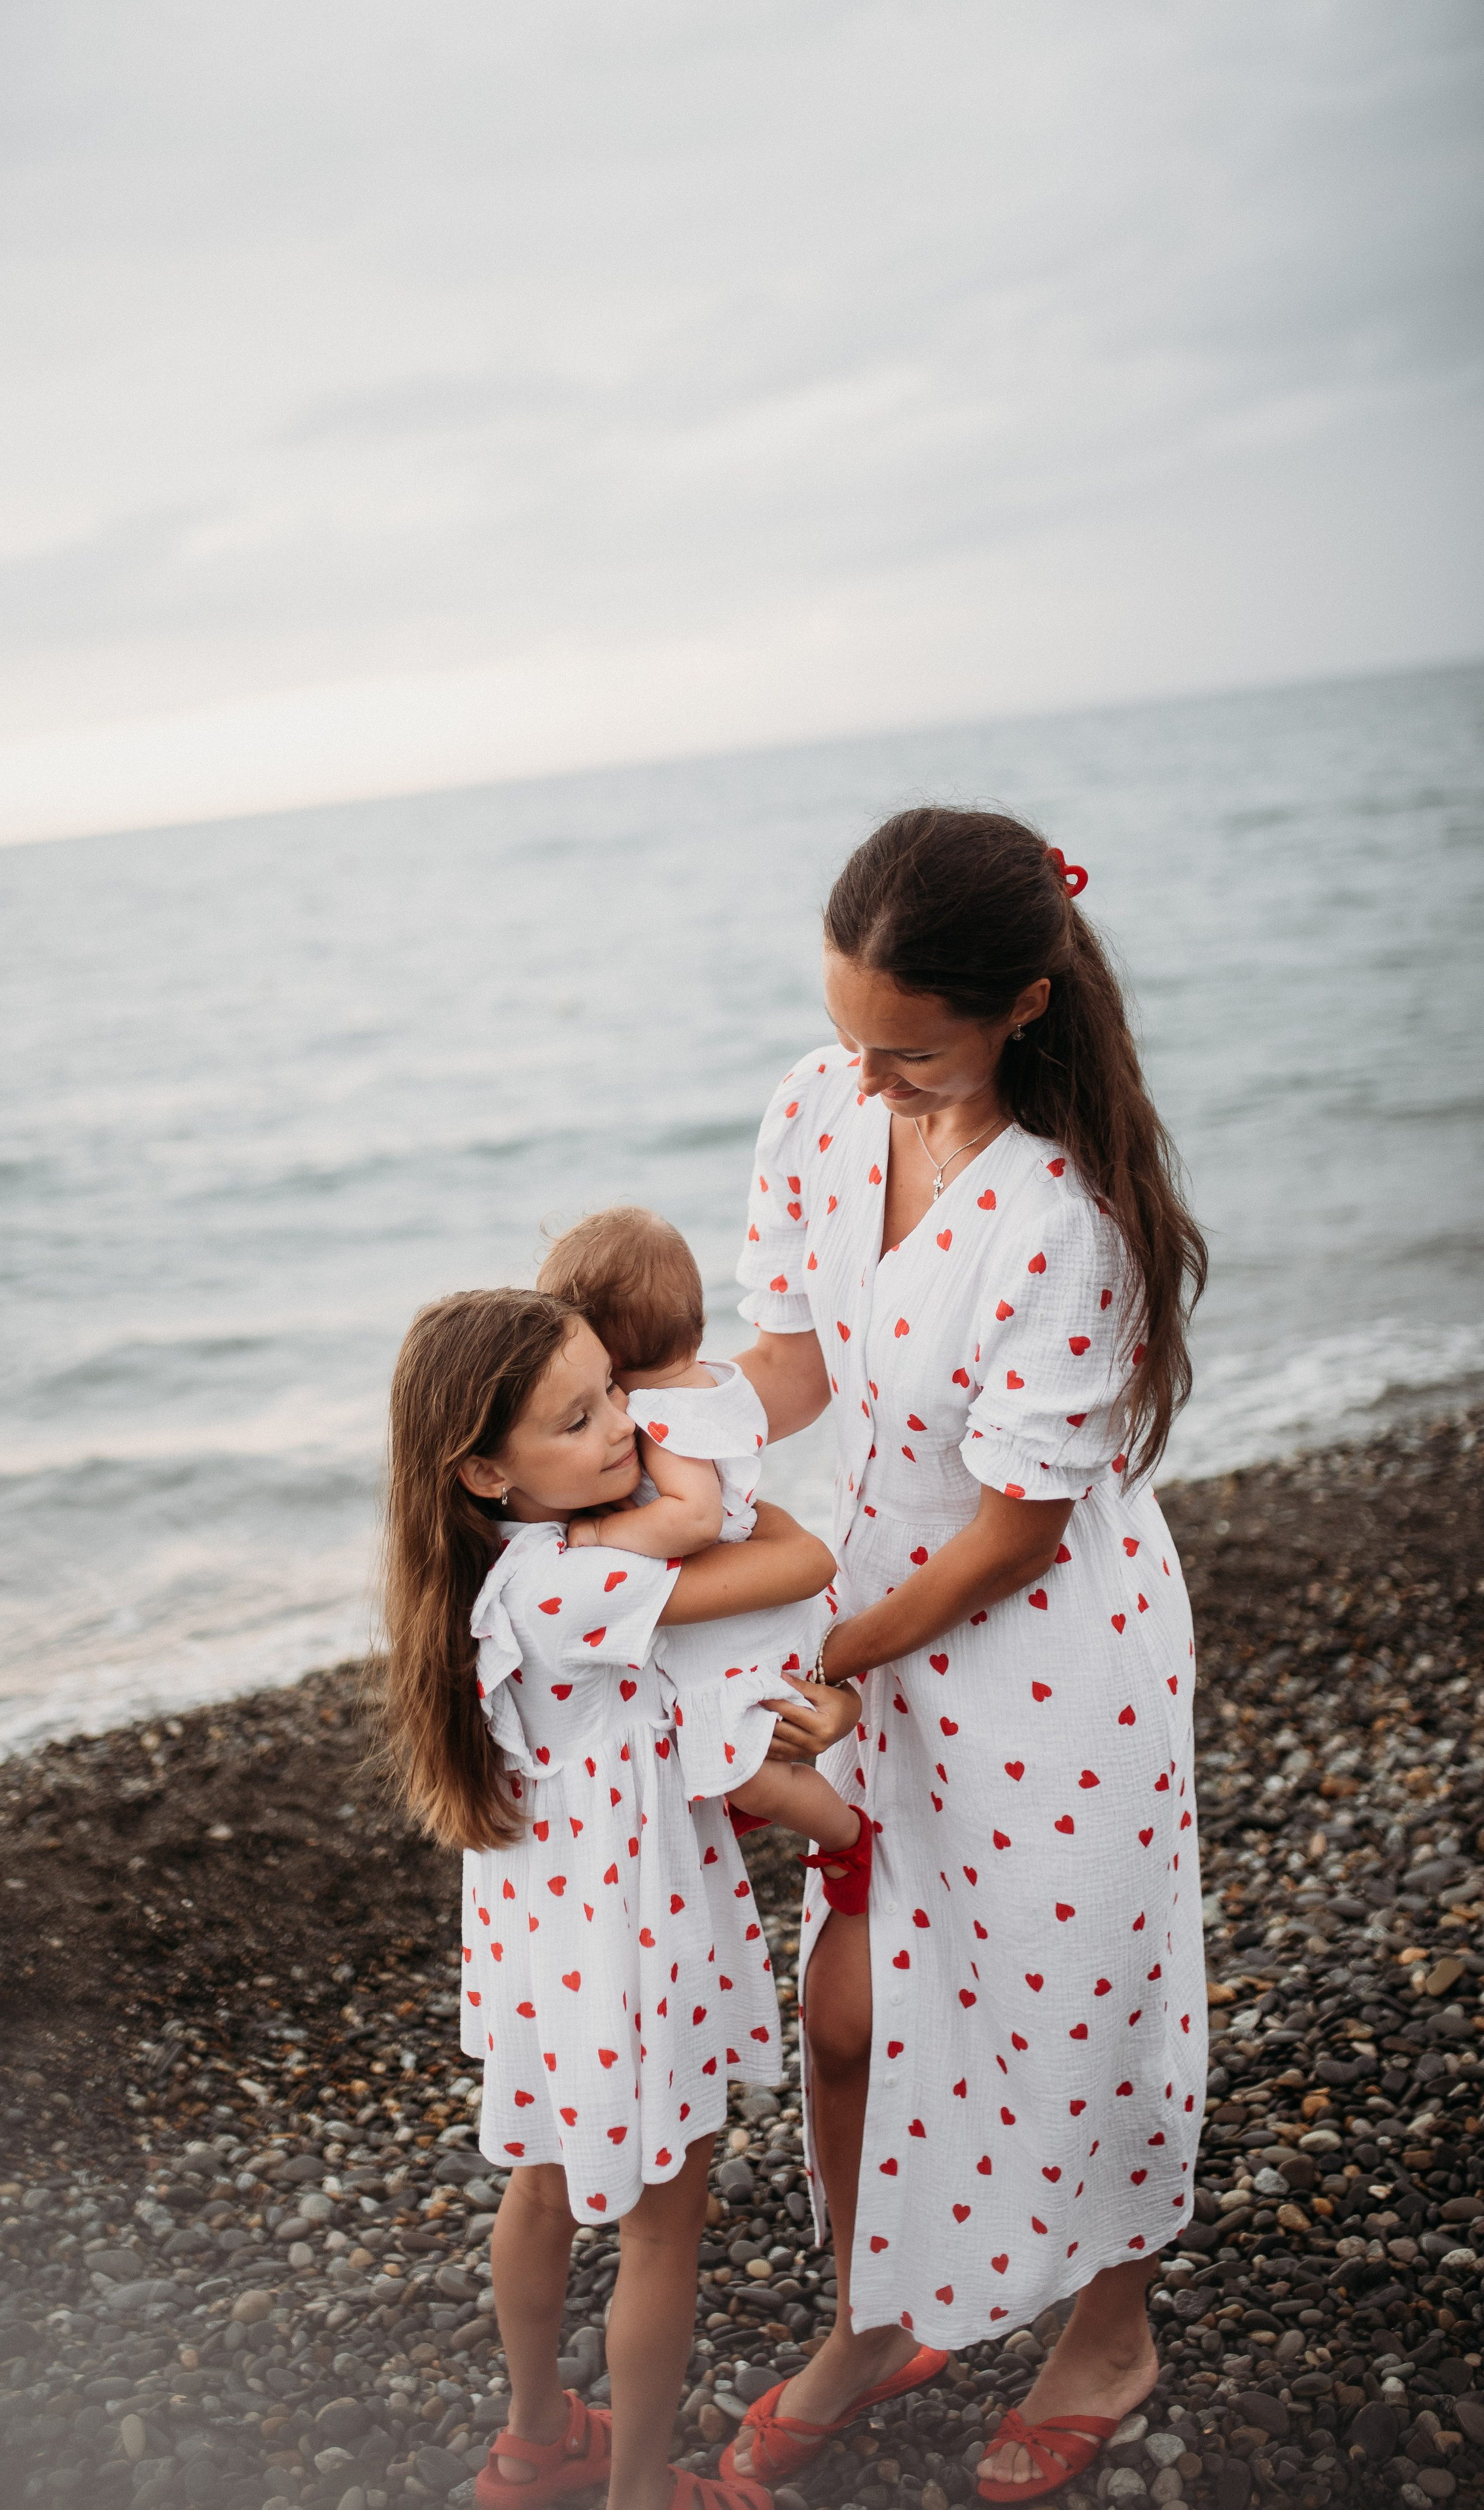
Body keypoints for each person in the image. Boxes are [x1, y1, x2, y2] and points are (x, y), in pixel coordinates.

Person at [724, 807, 1210, 2506]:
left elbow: (1016, 1529)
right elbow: (787, 1363)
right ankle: (878, 2310)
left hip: (1041, 1653)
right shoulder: (819, 1097)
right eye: (852, 1037)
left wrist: (825, 1646)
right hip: (855, 1632)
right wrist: (643, 1450)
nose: (867, 1084)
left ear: (1022, 1004)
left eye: (910, 1055)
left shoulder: (1068, 1220)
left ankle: (1112, 2323)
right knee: (848, 2012)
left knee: (1076, 2002)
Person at [378, 1285, 847, 2510]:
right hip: (629, 1938)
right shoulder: (575, 1579)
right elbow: (802, 1561)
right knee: (658, 2228)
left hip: (545, 1944)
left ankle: (538, 2440)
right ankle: (645, 2492)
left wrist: (645, 1494)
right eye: (578, 1420)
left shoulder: (493, 1568)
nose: (625, 1432)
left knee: (540, 2184)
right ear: (485, 1469)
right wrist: (719, 1495)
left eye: (620, 1396)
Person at [538, 1204, 872, 1910]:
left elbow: (693, 1516)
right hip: (762, 1581)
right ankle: (756, 1785)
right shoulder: (719, 1382)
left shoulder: (658, 1415)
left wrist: (600, 1538)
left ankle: (845, 1838)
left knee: (743, 1763)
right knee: (733, 1744)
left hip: (740, 1606)